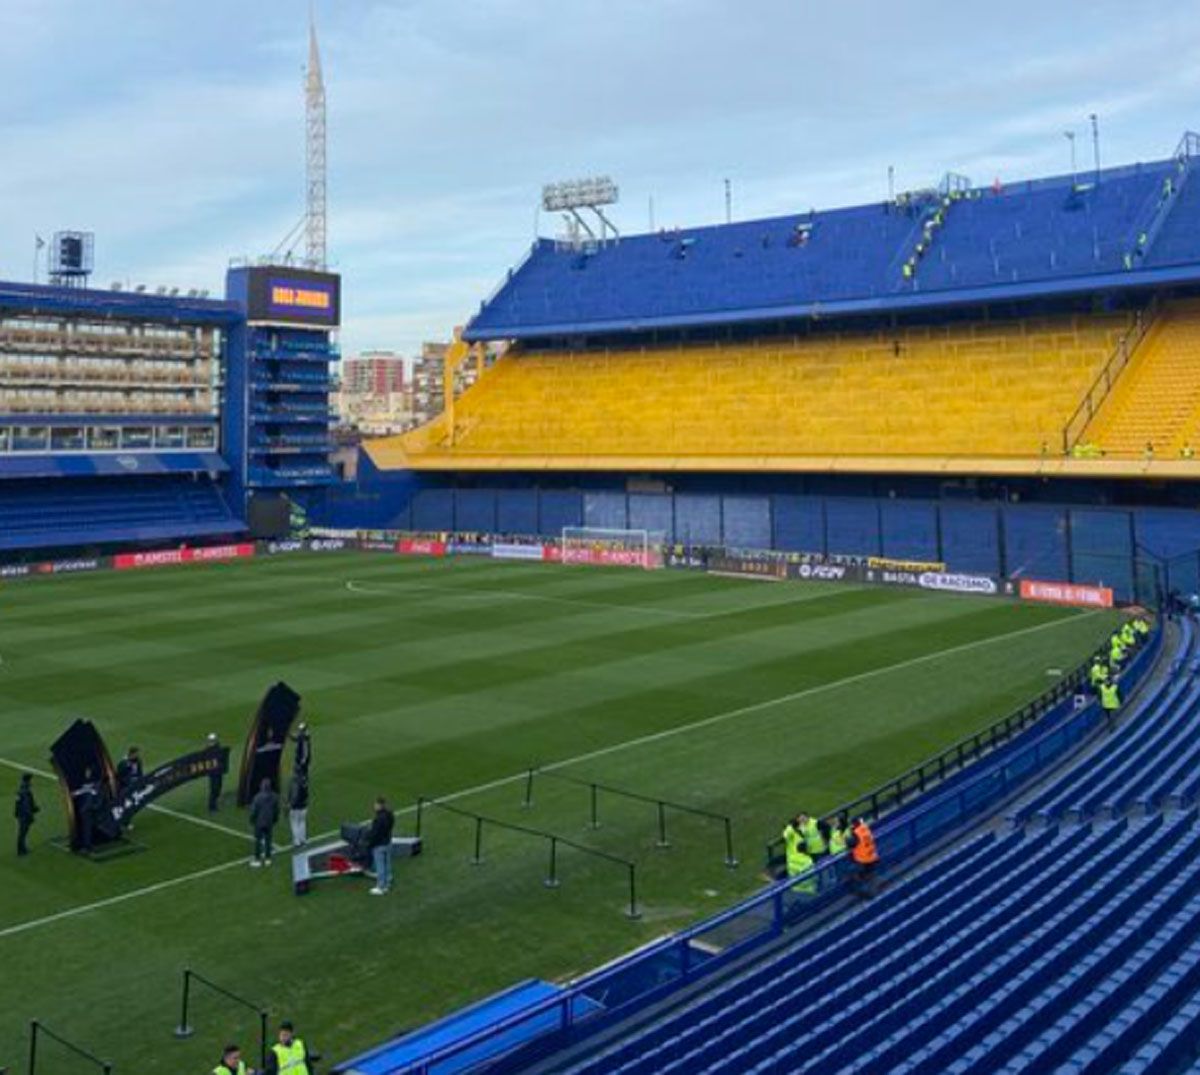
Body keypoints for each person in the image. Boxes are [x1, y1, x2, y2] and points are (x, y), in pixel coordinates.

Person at [249, 778, 280, 868]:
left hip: (259, 822)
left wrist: (252, 820)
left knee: (258, 841)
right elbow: (276, 810)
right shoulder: (274, 796)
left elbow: (254, 811)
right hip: (269, 822)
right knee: (268, 841)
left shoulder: (257, 797)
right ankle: (268, 859)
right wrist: (274, 819)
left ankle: (257, 860)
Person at [368, 796, 396, 896]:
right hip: (387, 842)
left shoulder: (378, 818)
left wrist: (370, 844)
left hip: (379, 845)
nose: (374, 806)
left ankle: (381, 887)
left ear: (380, 805)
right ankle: (388, 880)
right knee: (387, 863)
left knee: (380, 866)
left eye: (375, 804)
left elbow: (375, 834)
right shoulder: (390, 814)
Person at [848, 817, 879, 900]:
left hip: (863, 859)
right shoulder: (865, 828)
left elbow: (851, 843)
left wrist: (848, 838)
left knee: (860, 875)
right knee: (870, 875)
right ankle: (872, 892)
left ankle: (868, 893)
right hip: (872, 855)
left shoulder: (856, 833)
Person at [781, 817, 815, 894]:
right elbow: (786, 835)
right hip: (797, 858)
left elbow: (785, 836)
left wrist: (789, 827)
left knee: (797, 878)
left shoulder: (796, 832)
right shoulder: (795, 832)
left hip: (795, 858)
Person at [73, 768, 101, 854]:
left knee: (88, 828)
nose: (87, 773)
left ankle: (88, 845)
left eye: (88, 771)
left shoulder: (95, 782)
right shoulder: (83, 781)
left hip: (90, 809)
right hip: (85, 809)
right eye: (86, 771)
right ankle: (87, 845)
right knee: (85, 828)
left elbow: (96, 793)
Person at [14, 773, 38, 856]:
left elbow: (18, 803)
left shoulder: (21, 789)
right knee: (23, 832)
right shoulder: (25, 791)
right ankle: (21, 850)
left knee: (22, 833)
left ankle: (22, 848)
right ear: (28, 780)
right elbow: (26, 805)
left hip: (21, 814)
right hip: (24, 815)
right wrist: (31, 813)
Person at [288, 771, 309, 849]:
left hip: (295, 807)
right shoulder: (304, 782)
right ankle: (303, 840)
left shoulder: (295, 784)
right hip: (304, 806)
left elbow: (294, 796)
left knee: (294, 824)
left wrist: (290, 804)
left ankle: (297, 841)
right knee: (302, 823)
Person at [207, 732, 223, 812]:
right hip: (213, 773)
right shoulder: (208, 751)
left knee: (218, 788)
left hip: (218, 772)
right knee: (214, 789)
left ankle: (214, 803)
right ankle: (212, 806)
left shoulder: (217, 748)